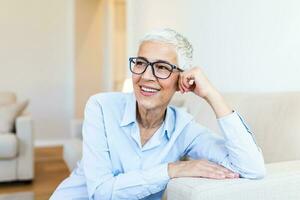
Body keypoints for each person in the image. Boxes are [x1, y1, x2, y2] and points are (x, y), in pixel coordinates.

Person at [50, 28, 265, 200]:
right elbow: (102, 193)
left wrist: (212, 95)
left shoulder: (184, 129)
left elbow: (252, 168)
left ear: (182, 80)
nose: (146, 76)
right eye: (141, 63)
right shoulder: (101, 107)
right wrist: (173, 169)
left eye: (161, 67)